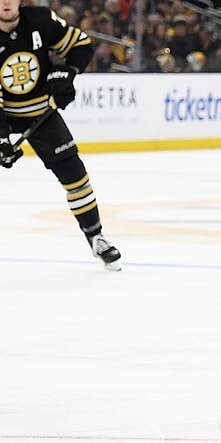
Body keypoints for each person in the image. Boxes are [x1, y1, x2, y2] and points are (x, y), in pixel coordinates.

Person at [0, 0, 122, 270]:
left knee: (76, 176)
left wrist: (67, 73)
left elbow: (80, 44)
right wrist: (1, 139)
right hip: (3, 113)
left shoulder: (40, 20)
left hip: (42, 112)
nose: (6, 2)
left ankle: (96, 236)